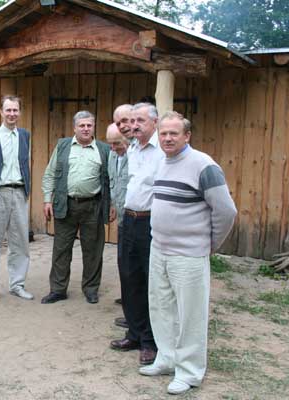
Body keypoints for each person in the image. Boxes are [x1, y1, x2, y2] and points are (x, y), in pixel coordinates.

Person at [140, 111, 236, 395]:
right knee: (161, 308)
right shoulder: (162, 162)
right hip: (159, 249)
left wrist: (209, 244)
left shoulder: (204, 165)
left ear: (187, 136)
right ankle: (167, 358)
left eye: (174, 133)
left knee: (190, 315)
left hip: (189, 255)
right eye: (164, 133)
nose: (168, 138)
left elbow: (226, 212)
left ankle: (190, 372)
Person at [110, 102, 164, 366]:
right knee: (129, 278)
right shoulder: (132, 148)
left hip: (151, 223)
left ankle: (150, 342)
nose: (134, 125)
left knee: (149, 282)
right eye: (131, 121)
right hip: (129, 220)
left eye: (140, 120)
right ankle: (134, 333)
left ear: (155, 122)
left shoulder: (162, 150)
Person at [40, 111, 110, 304]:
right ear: (74, 128)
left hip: (93, 206)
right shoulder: (63, 146)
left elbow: (110, 180)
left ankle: (91, 289)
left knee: (93, 250)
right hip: (66, 204)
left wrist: (111, 205)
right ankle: (58, 290)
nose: (86, 129)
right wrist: (47, 200)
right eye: (82, 125)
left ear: (94, 127)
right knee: (61, 249)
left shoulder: (103, 149)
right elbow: (50, 174)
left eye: (89, 125)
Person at [0, 95, 33, 303]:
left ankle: (17, 285)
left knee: (20, 243)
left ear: (20, 112)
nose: (12, 114)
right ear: (1, 112)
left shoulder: (25, 136)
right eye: (8, 110)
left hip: (19, 193)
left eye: (15, 110)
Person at [106, 123, 130, 327]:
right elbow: (113, 183)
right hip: (122, 217)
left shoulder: (137, 156)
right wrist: (113, 204)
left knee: (134, 264)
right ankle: (129, 299)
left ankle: (136, 308)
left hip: (137, 217)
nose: (113, 148)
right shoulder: (113, 155)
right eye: (110, 144)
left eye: (117, 143)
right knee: (123, 261)